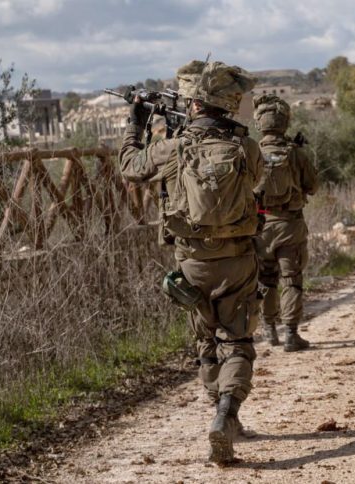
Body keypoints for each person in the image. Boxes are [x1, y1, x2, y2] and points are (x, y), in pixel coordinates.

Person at [119, 60, 259, 464]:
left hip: (192, 262)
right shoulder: (245, 145)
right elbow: (258, 182)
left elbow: (130, 168)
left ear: (194, 104)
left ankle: (219, 411)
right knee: (239, 341)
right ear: (226, 104)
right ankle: (227, 414)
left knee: (206, 341)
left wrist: (136, 123)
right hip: (237, 258)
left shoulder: (174, 148)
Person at [252, 94, 318, 351]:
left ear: (260, 124)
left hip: (260, 227)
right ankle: (291, 333)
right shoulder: (295, 153)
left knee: (267, 280)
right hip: (290, 226)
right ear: (284, 122)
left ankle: (269, 329)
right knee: (291, 279)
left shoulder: (251, 152)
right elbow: (312, 186)